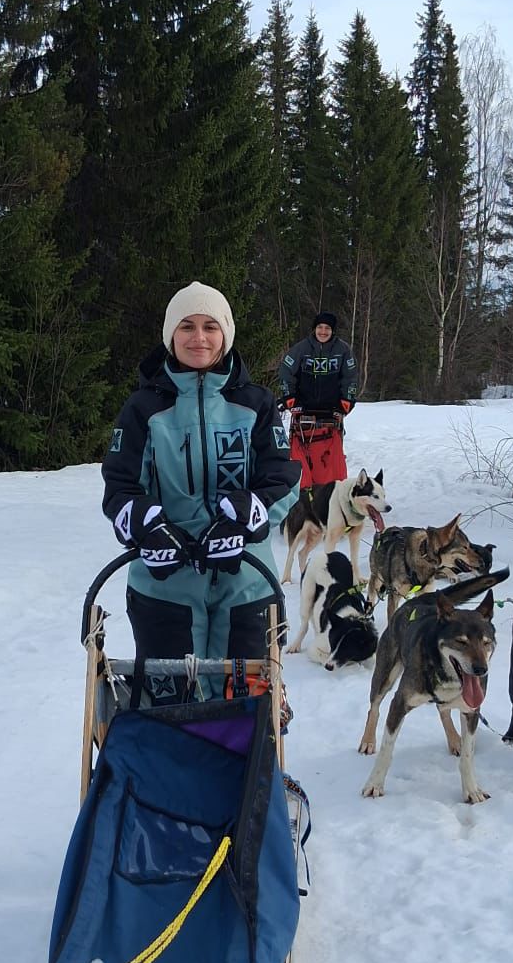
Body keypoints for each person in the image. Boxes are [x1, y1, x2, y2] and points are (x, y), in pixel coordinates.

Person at [102, 282, 302, 689]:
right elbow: (120, 487)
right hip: (165, 584)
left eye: (210, 326)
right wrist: (145, 526)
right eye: (187, 326)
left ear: (225, 333)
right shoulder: (143, 408)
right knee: (172, 709)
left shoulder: (256, 404)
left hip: (246, 582)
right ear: (170, 335)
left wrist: (248, 514)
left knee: (248, 710)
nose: (199, 338)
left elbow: (282, 477)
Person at [277, 311, 359, 487]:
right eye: (320, 327)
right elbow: (286, 372)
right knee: (301, 455)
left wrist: (346, 403)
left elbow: (350, 377)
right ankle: (303, 489)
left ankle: (331, 490)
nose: (323, 331)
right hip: (304, 408)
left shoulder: (343, 350)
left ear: (333, 331)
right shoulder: (301, 349)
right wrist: (290, 399)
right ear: (314, 329)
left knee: (331, 457)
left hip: (331, 410)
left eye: (327, 328)